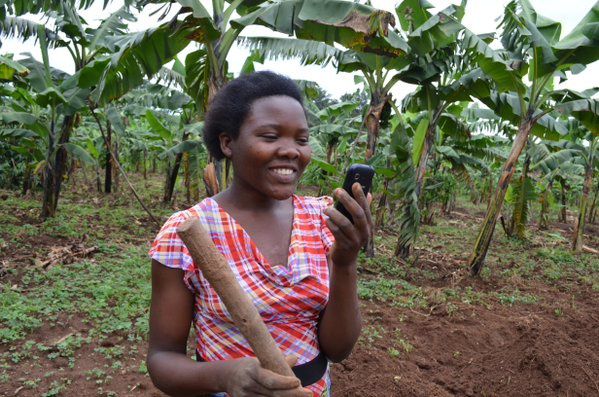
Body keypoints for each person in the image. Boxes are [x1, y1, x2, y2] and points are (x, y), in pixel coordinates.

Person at [147, 71, 372, 397]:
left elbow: (337, 349)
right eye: (270, 137)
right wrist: (227, 376)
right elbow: (162, 359)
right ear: (228, 143)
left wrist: (346, 260)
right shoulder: (187, 232)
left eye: (302, 139)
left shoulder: (322, 219)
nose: (291, 151)